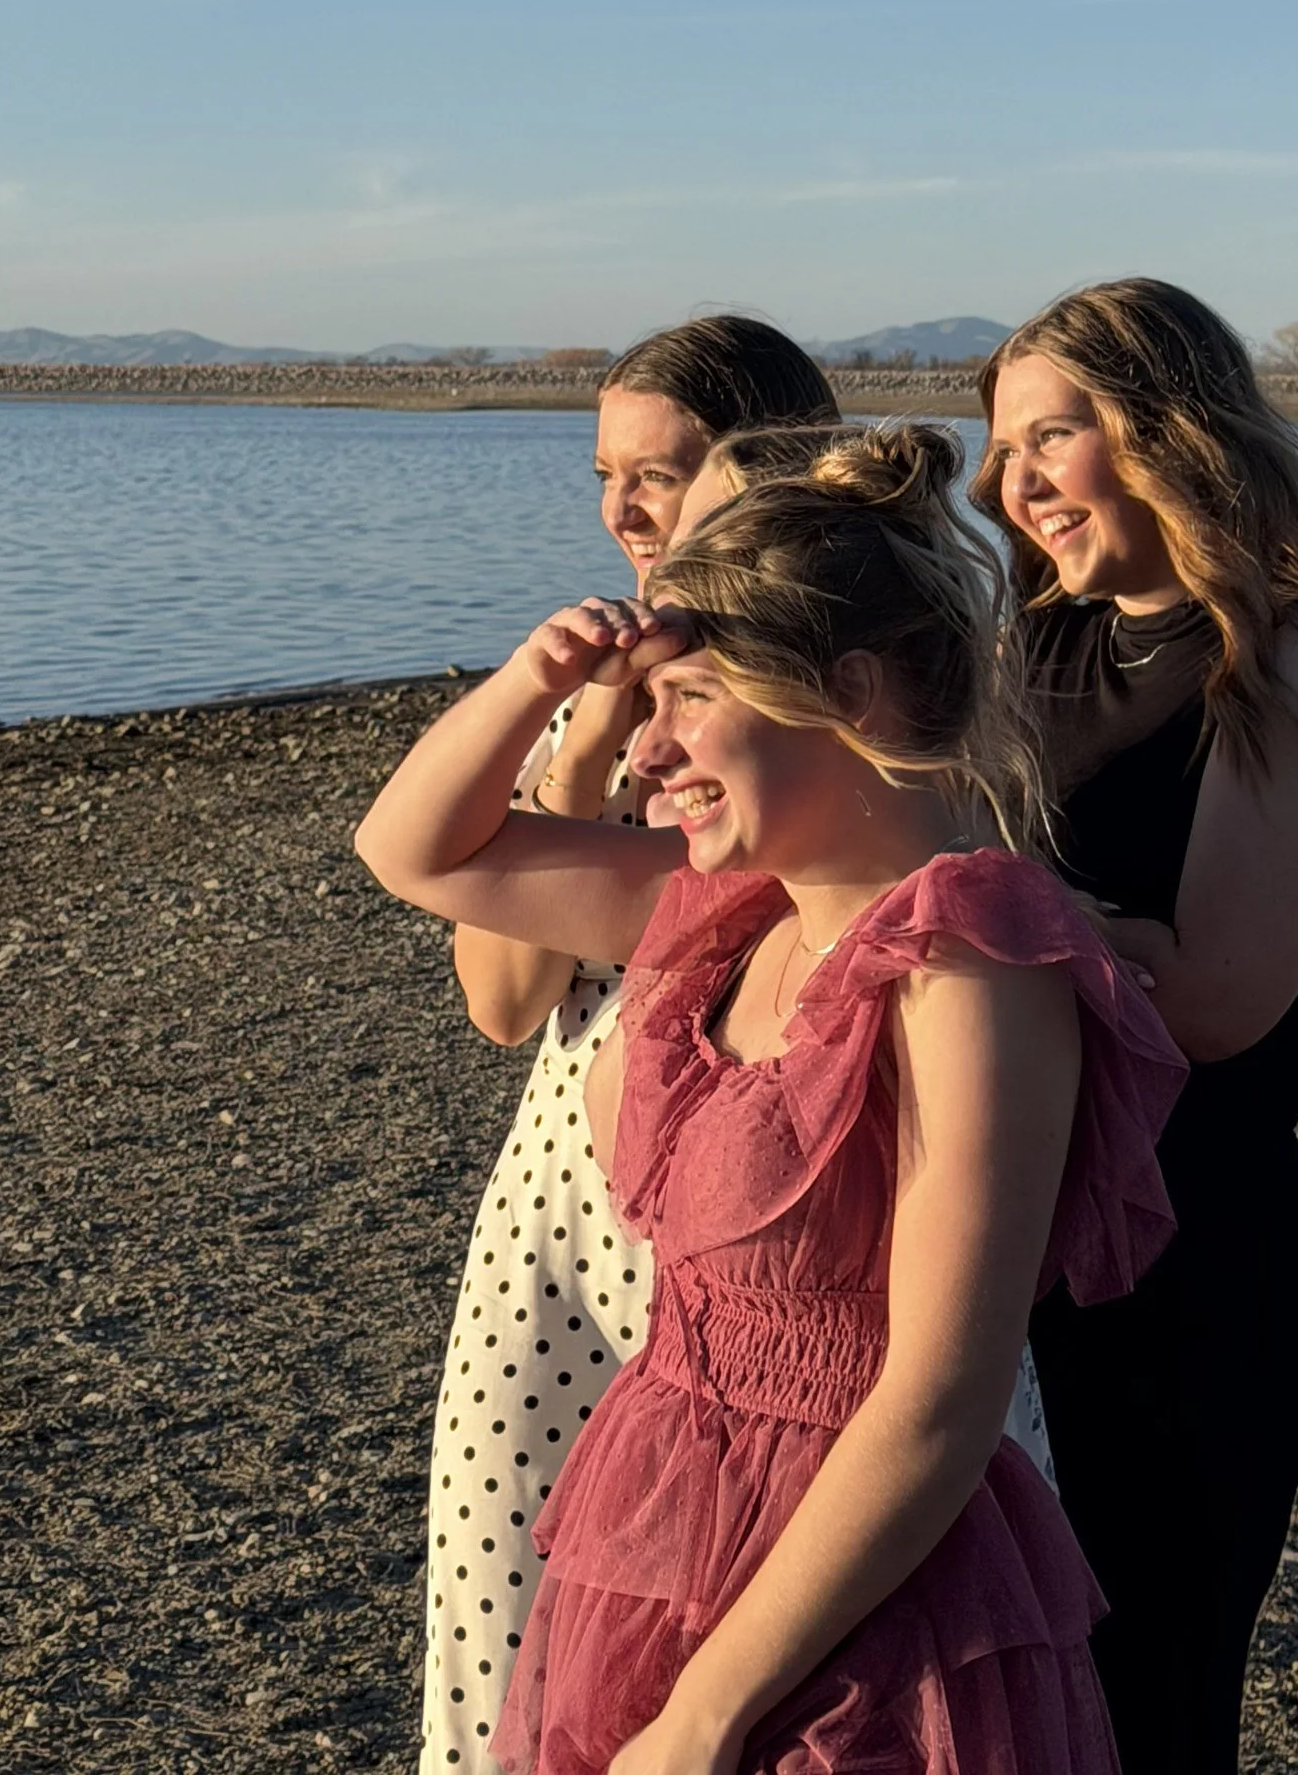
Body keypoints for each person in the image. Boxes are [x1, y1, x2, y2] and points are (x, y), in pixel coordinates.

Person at [356, 423, 1184, 1775]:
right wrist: (542, 676)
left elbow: (939, 1398)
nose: (642, 758)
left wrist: (704, 1715)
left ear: (847, 694)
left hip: (860, 1607)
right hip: (660, 1530)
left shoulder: (968, 972)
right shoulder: (721, 921)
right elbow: (413, 850)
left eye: (689, 701)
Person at [973, 281, 1298, 1775]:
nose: (1019, 480)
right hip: (988, 1252)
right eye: (1003, 448)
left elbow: (1214, 999)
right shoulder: (1027, 647)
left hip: (1186, 1277)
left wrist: (947, 904)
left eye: (1060, 434)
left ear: (1176, 433)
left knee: (1147, 1718)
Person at [420, 318, 836, 1775]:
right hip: (561, 1209)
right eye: (606, 473)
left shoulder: (820, 676)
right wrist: (591, 725)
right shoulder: (617, 675)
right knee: (507, 1599)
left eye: (659, 472)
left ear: (769, 469)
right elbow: (504, 998)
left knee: (727, 1618)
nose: (623, 509)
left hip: (751, 1215)